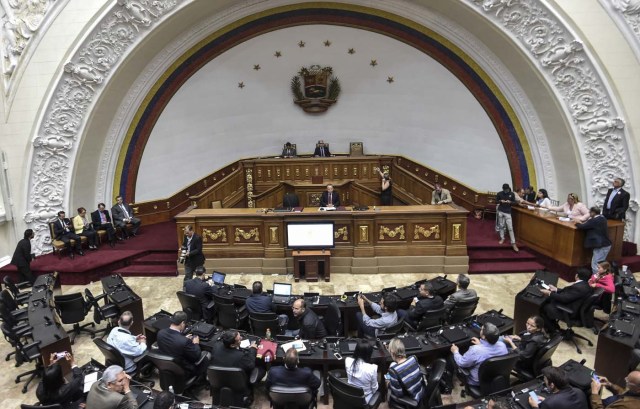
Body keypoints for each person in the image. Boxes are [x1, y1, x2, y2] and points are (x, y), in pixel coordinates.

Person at [448, 322, 508, 388]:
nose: (480, 330)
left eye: (481, 329)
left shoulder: (476, 350)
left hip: (476, 382)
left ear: (483, 336)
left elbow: (462, 363)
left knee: (450, 356)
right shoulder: (502, 346)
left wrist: (455, 351)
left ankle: (449, 385)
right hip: (495, 378)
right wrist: (480, 345)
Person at [156, 311, 210, 378]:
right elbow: (196, 356)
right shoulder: (184, 341)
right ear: (182, 323)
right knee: (207, 355)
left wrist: (182, 338)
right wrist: (196, 343)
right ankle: (202, 379)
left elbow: (173, 341)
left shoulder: (160, 333)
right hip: (184, 371)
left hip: (168, 367)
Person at [540, 268, 593, 333]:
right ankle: (553, 326)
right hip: (574, 307)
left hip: (568, 311)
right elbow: (570, 293)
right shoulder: (585, 285)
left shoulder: (579, 287)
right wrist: (556, 289)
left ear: (576, 276)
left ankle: (554, 331)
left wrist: (549, 293)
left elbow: (564, 299)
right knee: (548, 300)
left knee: (543, 308)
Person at [387, 338, 425, 407]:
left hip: (412, 397)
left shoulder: (394, 370)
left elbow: (398, 394)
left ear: (392, 353)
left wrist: (389, 383)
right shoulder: (413, 358)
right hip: (420, 390)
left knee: (387, 384)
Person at [576, 206, 612, 274]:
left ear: (593, 212)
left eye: (590, 212)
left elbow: (582, 226)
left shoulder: (594, 220)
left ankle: (596, 280)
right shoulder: (602, 218)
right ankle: (600, 279)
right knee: (601, 264)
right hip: (605, 244)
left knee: (596, 265)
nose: (589, 213)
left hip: (601, 246)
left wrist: (577, 222)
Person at [345, 339, 378, 404]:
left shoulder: (348, 361)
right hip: (365, 399)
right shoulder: (372, 368)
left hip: (350, 395)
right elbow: (375, 389)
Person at [496, 183, 519, 252]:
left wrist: (510, 202)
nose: (506, 191)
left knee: (510, 228)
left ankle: (513, 243)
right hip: (500, 211)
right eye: (504, 189)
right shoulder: (499, 193)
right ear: (503, 189)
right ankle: (502, 238)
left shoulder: (512, 194)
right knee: (501, 226)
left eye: (507, 189)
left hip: (508, 212)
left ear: (508, 188)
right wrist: (500, 201)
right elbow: (495, 201)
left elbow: (515, 203)